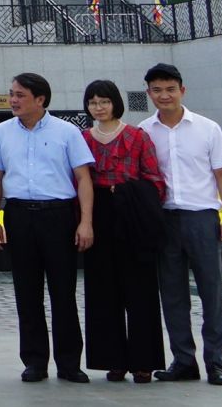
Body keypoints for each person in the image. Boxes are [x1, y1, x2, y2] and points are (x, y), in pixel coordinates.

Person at [0, 71, 95, 384]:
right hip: (19, 216)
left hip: (58, 216)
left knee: (63, 292)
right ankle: (34, 362)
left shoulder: (67, 132)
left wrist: (85, 222)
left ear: (40, 99)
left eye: (20, 95)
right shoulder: (1, 133)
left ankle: (69, 363)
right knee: (26, 292)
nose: (13, 100)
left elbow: (84, 178)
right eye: (11, 94)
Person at [137, 62, 222, 386]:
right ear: (149, 93)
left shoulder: (208, 128)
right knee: (172, 294)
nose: (164, 95)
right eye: (156, 90)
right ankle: (183, 361)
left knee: (212, 291)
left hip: (201, 218)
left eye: (170, 89)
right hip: (164, 220)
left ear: (182, 90)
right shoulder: (144, 131)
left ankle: (216, 362)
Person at [82, 78, 166, 383]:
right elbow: (78, 180)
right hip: (97, 212)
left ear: (115, 102)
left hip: (132, 211)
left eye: (104, 101)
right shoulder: (83, 138)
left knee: (141, 289)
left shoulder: (137, 135)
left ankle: (144, 361)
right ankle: (112, 360)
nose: (98, 107)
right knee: (103, 290)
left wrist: (140, 206)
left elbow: (154, 177)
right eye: (92, 102)